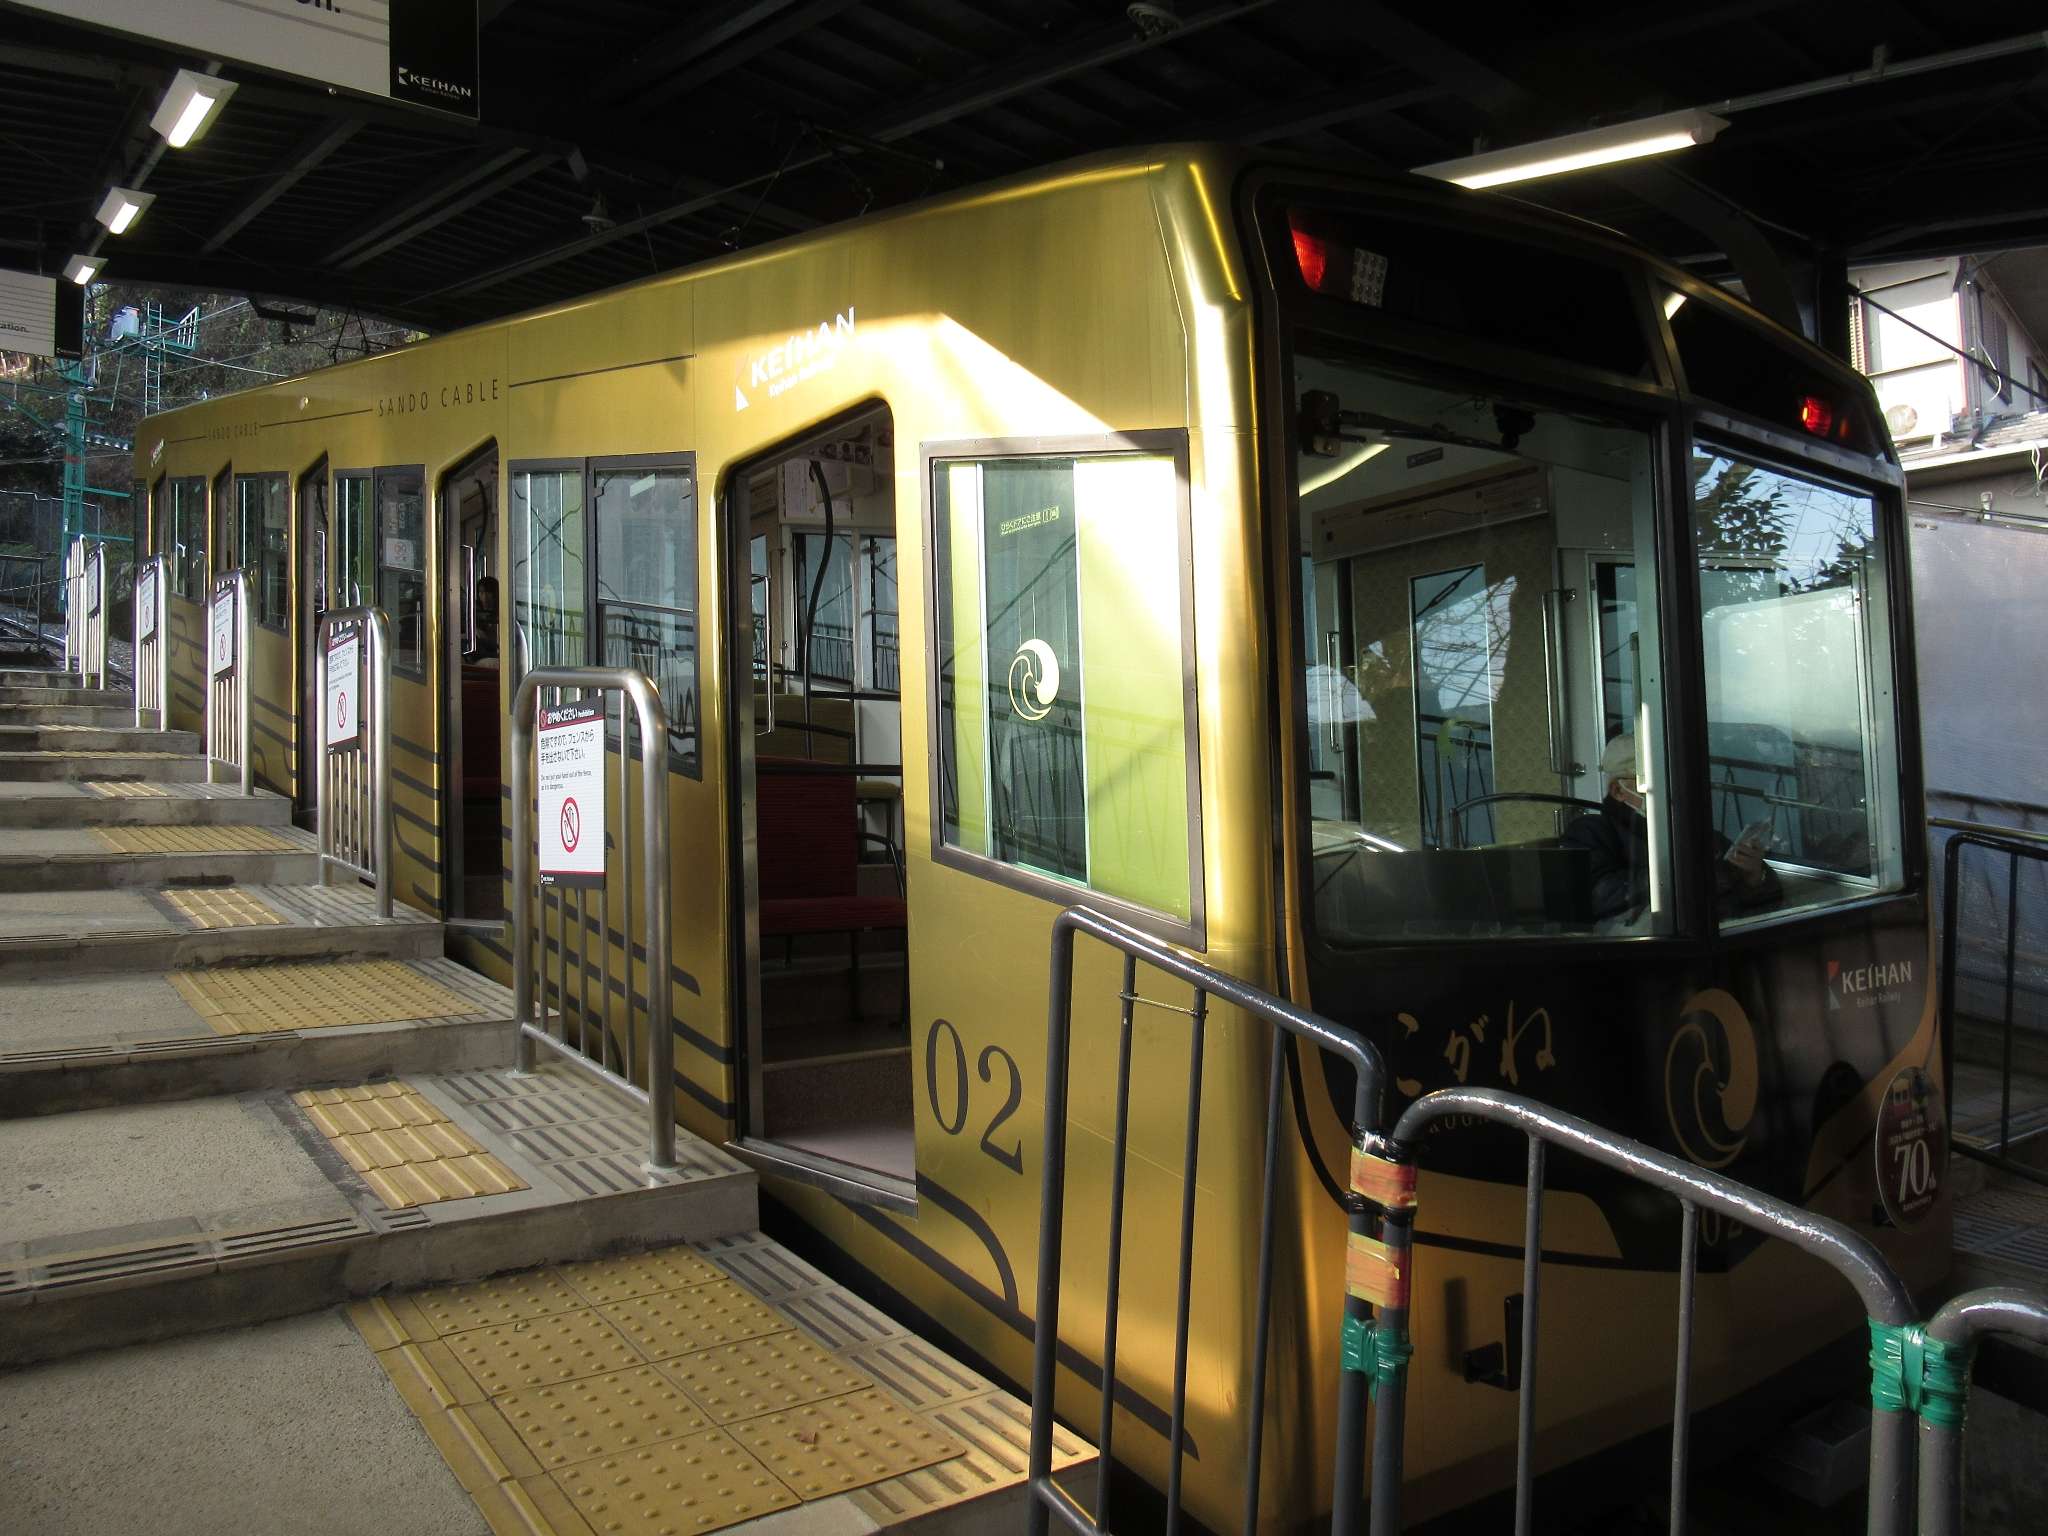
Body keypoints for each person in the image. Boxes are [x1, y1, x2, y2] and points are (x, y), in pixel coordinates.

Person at [1564, 733, 1778, 926]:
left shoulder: (1690, 828)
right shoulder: (1591, 830)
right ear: (1618, 791)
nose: (1669, 787)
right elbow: (1599, 896)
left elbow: (1765, 902)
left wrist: (1754, 876)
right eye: (1653, 781)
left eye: (1672, 777)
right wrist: (1683, 872)